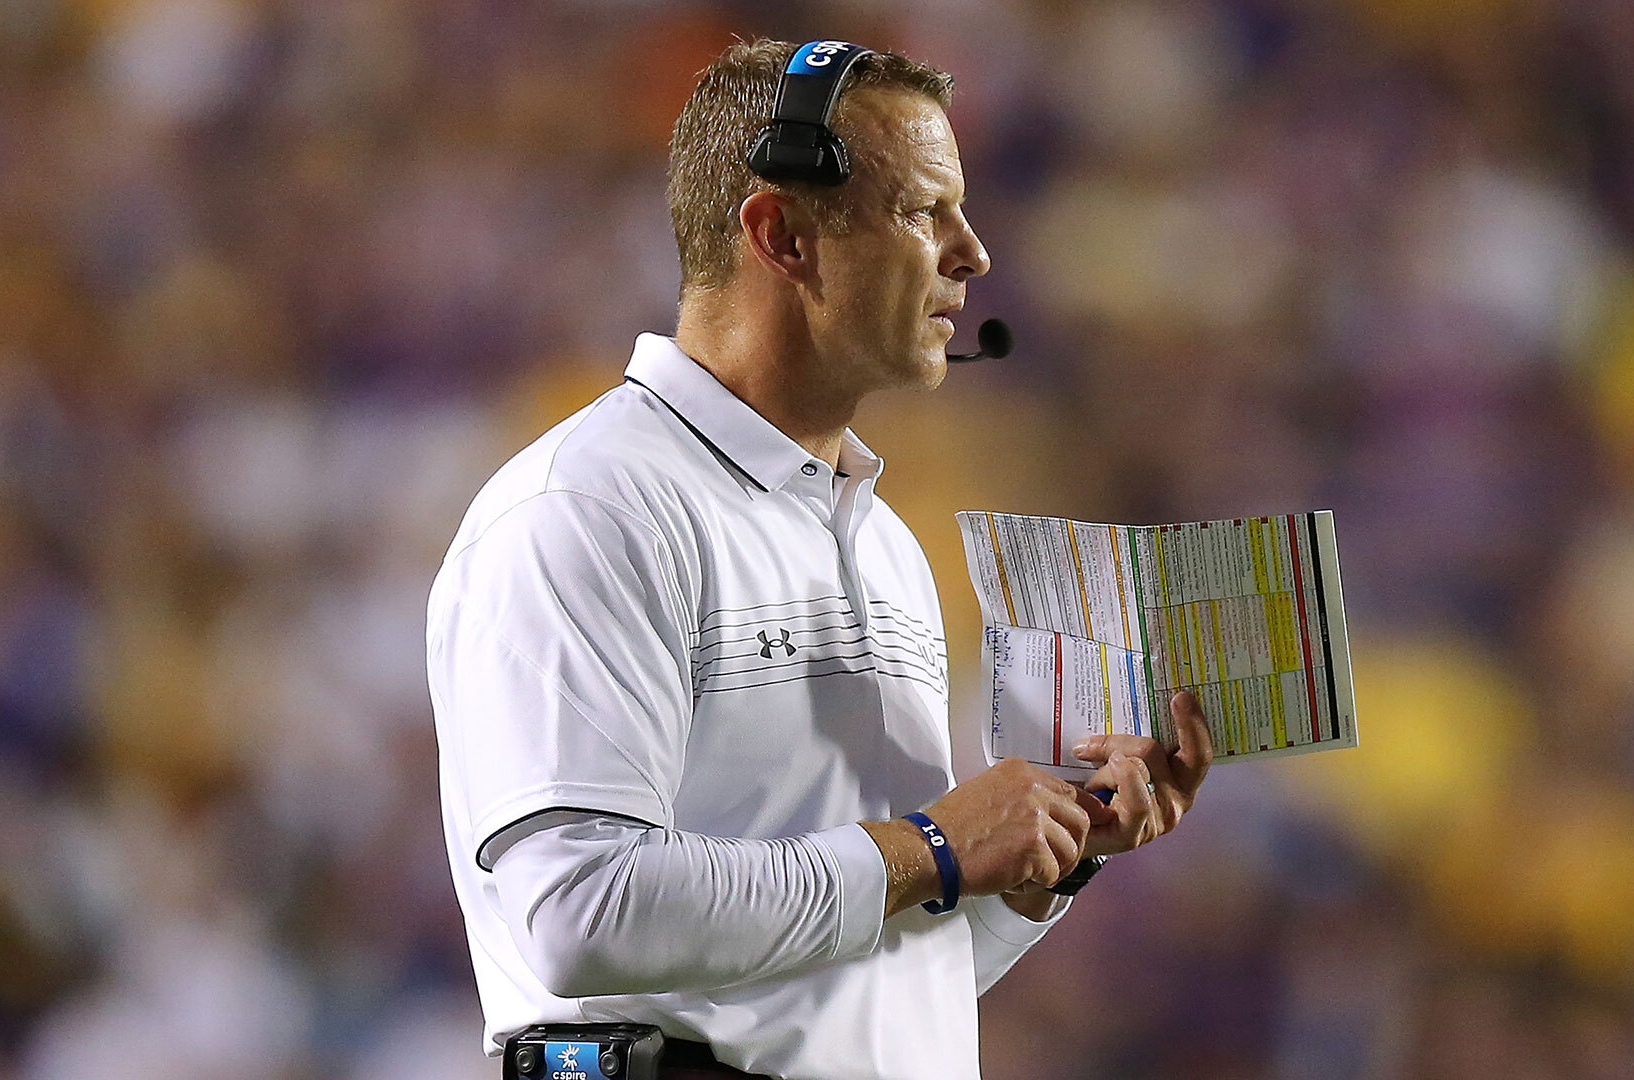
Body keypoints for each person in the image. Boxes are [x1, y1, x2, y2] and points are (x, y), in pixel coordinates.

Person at [425, 38, 1214, 1080]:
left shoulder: (883, 543)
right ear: (781, 235)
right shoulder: (590, 506)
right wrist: (932, 847)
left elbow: (873, 975)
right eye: (923, 210)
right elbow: (578, 913)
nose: (971, 252)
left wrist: (1040, 866)